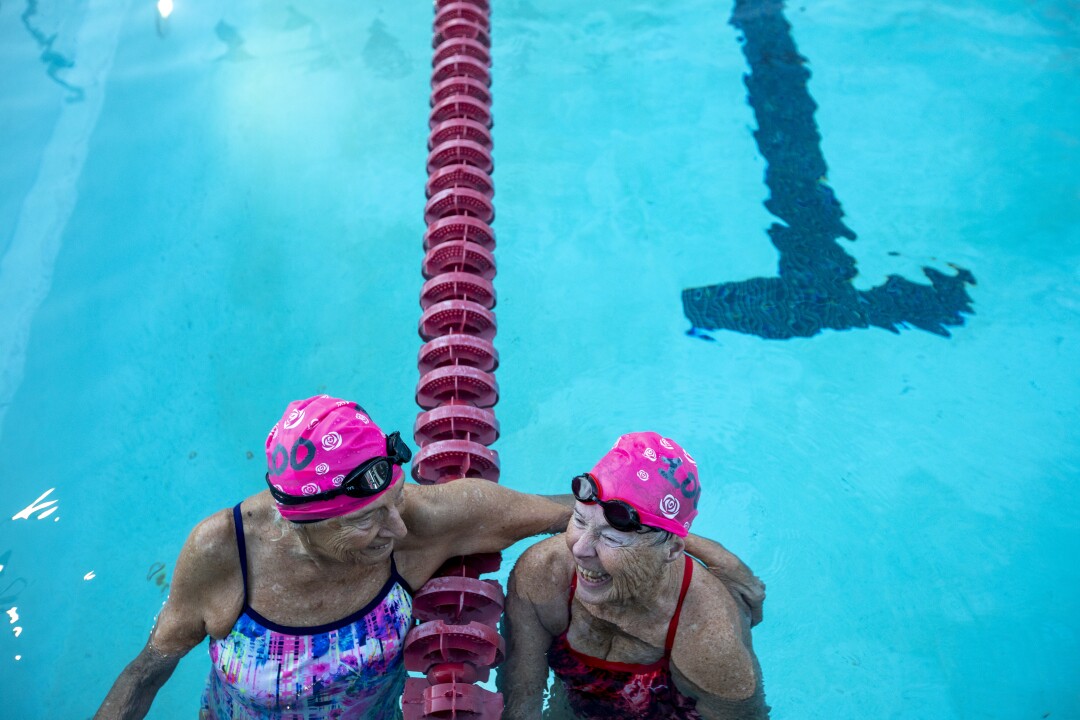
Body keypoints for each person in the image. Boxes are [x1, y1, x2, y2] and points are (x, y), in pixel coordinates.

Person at [94, 395, 576, 720]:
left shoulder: (421, 523)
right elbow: (149, 669)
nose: (398, 528)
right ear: (301, 523)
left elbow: (564, 510)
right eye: (366, 519)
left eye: (396, 501)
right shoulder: (225, 552)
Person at [500, 431, 771, 719]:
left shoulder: (711, 642)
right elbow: (522, 702)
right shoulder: (544, 573)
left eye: (613, 540)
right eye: (579, 520)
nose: (579, 549)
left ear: (672, 550)